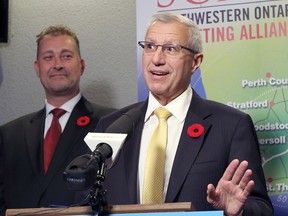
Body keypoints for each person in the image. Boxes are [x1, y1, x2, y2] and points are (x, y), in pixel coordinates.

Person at [92, 12, 273, 215]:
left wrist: (237, 212)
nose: (157, 59)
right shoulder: (111, 127)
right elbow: (83, 202)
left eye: (170, 49)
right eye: (150, 46)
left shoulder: (231, 126)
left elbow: (261, 207)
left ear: (195, 62)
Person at [0, 25, 115, 214]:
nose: (57, 64)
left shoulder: (110, 124)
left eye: (66, 56)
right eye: (48, 57)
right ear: (37, 68)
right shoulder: (8, 135)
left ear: (82, 65)